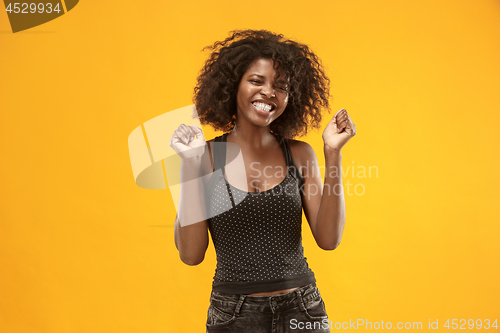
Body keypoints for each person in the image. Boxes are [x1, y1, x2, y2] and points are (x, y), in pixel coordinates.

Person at [169, 30, 356, 333]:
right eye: (257, 81)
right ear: (233, 86)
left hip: (302, 309)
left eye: (280, 86)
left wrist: (333, 153)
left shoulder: (299, 154)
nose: (269, 92)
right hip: (233, 315)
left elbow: (328, 239)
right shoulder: (205, 156)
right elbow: (191, 255)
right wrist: (190, 163)